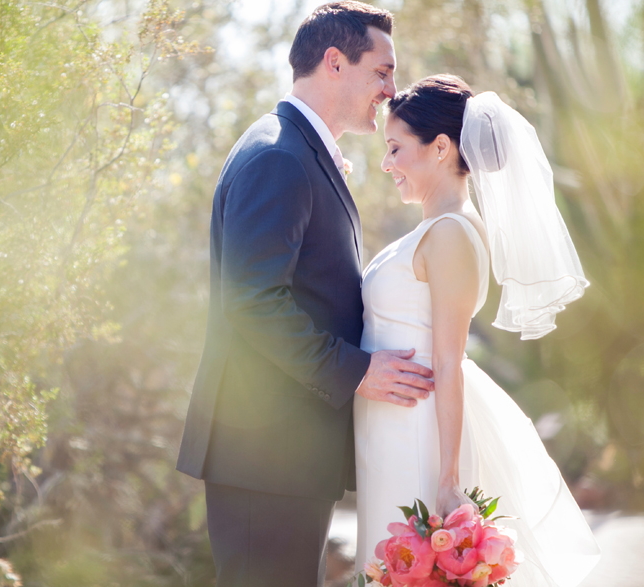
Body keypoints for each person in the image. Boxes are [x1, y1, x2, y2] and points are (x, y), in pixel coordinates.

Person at [176, 3, 436, 586]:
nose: (391, 90)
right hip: (263, 448)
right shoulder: (279, 157)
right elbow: (253, 301)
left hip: (280, 453)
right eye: (382, 71)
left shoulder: (297, 150)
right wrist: (358, 372)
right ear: (335, 62)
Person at [354, 74, 601, 586]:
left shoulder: (450, 235)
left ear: (441, 147)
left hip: (418, 434)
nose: (387, 164)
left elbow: (449, 360)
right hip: (392, 428)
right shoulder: (434, 228)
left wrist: (446, 481)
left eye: (396, 148)